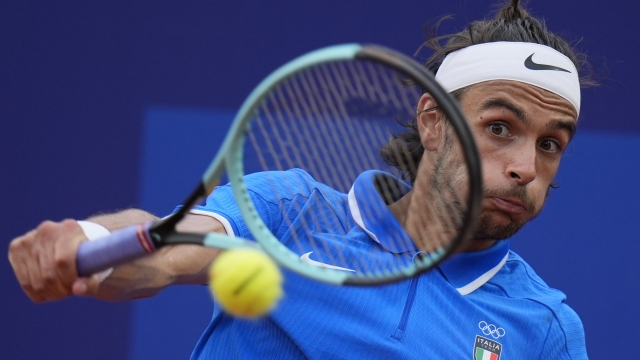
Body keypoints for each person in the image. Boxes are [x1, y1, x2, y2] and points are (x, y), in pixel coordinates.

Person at [8, 0, 594, 358]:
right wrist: (86, 243)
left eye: (550, 145)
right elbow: (165, 251)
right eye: (499, 128)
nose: (525, 168)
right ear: (434, 123)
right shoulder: (289, 212)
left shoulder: (544, 330)